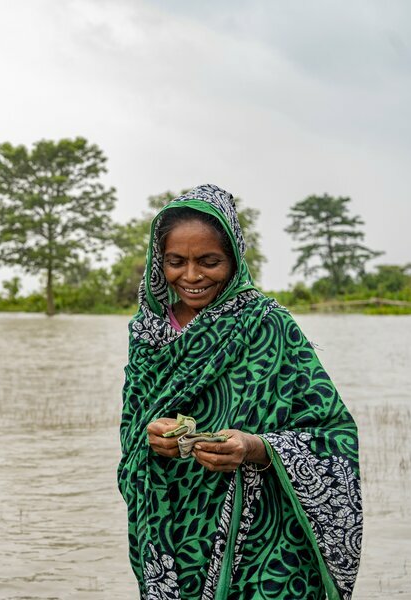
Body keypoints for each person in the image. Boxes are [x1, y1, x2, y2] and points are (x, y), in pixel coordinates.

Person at [117, 185, 362, 599]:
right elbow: (131, 430)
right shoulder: (147, 333)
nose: (191, 277)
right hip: (173, 524)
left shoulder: (268, 325)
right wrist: (151, 437)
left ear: (233, 259)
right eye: (176, 262)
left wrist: (254, 447)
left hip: (263, 534)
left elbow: (333, 433)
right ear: (159, 264)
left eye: (209, 262)